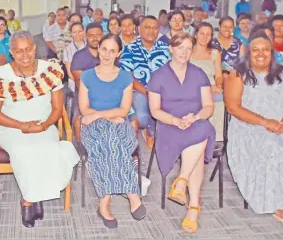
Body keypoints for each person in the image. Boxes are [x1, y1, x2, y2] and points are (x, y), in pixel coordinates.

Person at [225, 31, 283, 235]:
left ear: (272, 52)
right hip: (249, 126)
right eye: (255, 50)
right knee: (272, 148)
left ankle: (282, 209)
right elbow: (233, 107)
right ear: (248, 53)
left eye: (265, 50)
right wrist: (263, 121)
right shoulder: (238, 74)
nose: (260, 54)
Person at [0, 31, 79, 228]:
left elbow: (57, 109)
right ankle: (30, 199)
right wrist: (22, 126)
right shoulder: (3, 73)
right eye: (19, 51)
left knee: (48, 147)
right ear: (11, 52)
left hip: (43, 125)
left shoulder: (50, 70)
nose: (25, 55)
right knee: (24, 150)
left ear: (34, 48)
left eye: (28, 49)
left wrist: (44, 126)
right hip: (11, 128)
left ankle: (30, 198)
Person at [147, 33, 215, 234]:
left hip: (194, 121)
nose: (184, 52)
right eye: (180, 47)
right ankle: (193, 205)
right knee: (199, 144)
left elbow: (209, 106)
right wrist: (175, 120)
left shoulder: (199, 73)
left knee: (203, 129)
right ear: (171, 48)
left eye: (188, 48)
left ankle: (182, 181)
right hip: (169, 124)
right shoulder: (158, 75)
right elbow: (155, 111)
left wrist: (194, 118)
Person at [79, 34, 145, 229]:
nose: (107, 54)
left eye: (112, 50)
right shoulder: (87, 76)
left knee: (109, 142)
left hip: (120, 128)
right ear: (98, 48)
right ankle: (133, 194)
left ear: (119, 53)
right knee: (108, 138)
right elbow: (84, 109)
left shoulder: (125, 77)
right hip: (92, 129)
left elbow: (124, 110)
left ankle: (104, 204)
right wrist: (108, 116)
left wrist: (99, 114)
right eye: (104, 49)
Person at [120, 16, 171, 150]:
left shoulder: (166, 49)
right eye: (147, 27)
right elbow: (127, 76)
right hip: (139, 91)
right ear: (139, 29)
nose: (151, 31)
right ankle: (148, 132)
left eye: (155, 28)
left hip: (163, 91)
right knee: (142, 117)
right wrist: (147, 92)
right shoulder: (129, 49)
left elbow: (172, 72)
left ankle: (154, 134)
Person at [190, 22, 224, 141]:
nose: (205, 37)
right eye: (202, 33)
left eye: (208, 34)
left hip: (212, 87)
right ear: (196, 35)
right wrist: (209, 88)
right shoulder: (188, 52)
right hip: (192, 88)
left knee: (219, 98)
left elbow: (219, 75)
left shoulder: (215, 53)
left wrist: (218, 85)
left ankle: (217, 139)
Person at [63, 22, 86, 102]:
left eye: (80, 31)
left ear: (83, 31)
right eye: (74, 32)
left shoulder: (90, 46)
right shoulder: (67, 49)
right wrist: (80, 85)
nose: (77, 34)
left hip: (91, 84)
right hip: (74, 84)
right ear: (71, 34)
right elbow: (69, 72)